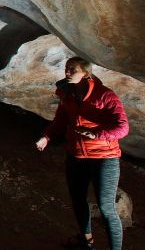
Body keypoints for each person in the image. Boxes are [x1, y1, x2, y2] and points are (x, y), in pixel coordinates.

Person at [35, 57, 129, 250]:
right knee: (78, 199)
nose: (67, 73)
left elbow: (123, 128)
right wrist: (47, 137)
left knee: (106, 208)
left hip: (104, 157)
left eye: (72, 70)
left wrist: (96, 134)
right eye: (66, 69)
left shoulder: (105, 96)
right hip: (76, 155)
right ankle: (86, 241)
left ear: (86, 73)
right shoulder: (67, 94)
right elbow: (60, 120)